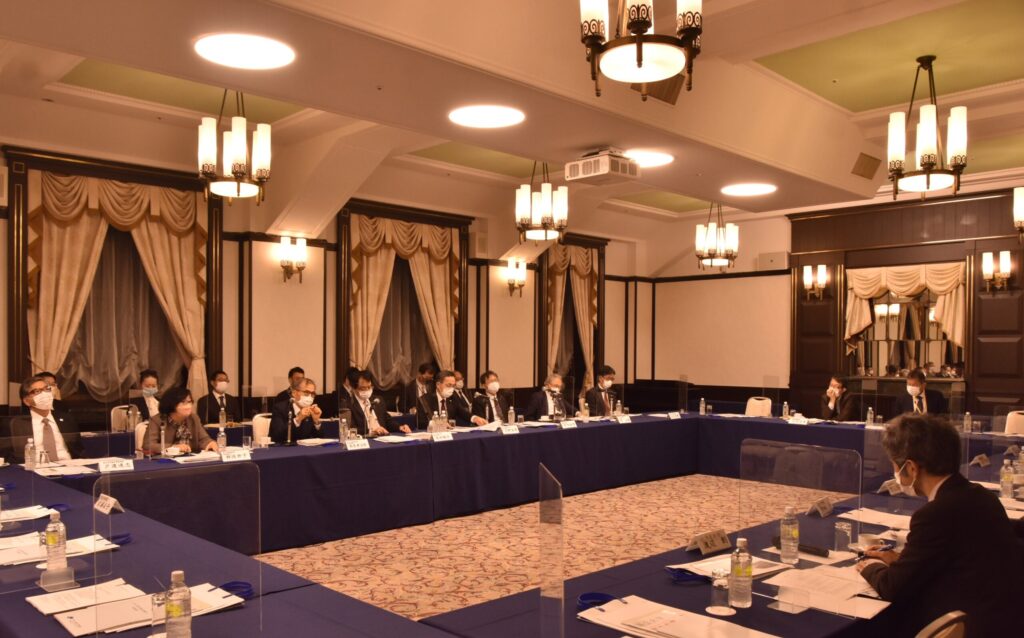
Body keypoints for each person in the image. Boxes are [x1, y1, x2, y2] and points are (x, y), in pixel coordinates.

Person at [851, 413, 1023, 637]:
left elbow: (893, 587)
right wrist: (901, 561)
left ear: (911, 468)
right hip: (1007, 618)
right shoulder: (982, 495)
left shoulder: (934, 514)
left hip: (972, 625)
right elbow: (954, 554)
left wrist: (870, 566)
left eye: (894, 465)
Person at [3, 375, 82, 463]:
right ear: (27, 401)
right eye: (37, 391)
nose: (44, 394)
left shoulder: (67, 419)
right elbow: (8, 457)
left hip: (69, 466)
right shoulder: (16, 423)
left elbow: (79, 450)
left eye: (47, 389)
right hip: (35, 468)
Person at [144, 386, 218, 455]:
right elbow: (148, 445)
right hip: (166, 461)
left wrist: (210, 443)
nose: (188, 406)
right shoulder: (157, 420)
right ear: (172, 404)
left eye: (189, 402)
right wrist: (173, 447)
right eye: (183, 403)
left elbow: (203, 439)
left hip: (190, 458)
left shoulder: (193, 418)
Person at [350, 371, 411, 437]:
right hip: (366, 439)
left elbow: (387, 420)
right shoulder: (349, 405)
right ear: (354, 388)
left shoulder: (377, 400)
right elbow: (351, 429)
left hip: (383, 437)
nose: (367, 390)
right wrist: (372, 431)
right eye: (363, 388)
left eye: (369, 387)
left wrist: (399, 427)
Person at [416, 370, 484, 429]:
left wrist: (475, 418)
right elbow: (421, 422)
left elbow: (462, 412)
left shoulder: (453, 397)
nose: (451, 389)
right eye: (449, 385)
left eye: (453, 386)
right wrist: (438, 424)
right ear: (438, 385)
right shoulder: (425, 400)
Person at [270, 377, 323, 444]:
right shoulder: (280, 408)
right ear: (294, 393)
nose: (310, 397)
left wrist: (316, 421)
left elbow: (319, 439)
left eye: (312, 394)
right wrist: (298, 419)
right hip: (283, 448)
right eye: (306, 393)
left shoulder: (312, 411)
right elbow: (277, 436)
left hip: (305, 449)